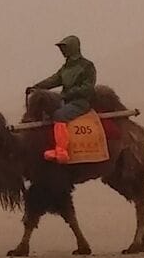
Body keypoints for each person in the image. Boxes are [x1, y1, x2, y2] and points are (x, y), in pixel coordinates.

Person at [30, 34, 98, 164]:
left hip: (80, 102)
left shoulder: (87, 66)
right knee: (45, 114)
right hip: (66, 101)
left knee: (59, 115)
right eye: (61, 48)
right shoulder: (66, 67)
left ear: (73, 47)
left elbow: (87, 88)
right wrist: (36, 87)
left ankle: (62, 151)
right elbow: (54, 79)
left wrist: (67, 95)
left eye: (64, 47)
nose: (62, 51)